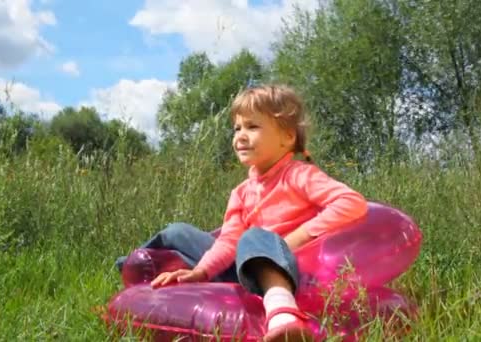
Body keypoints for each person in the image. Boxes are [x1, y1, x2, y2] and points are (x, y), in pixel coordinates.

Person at [115, 84, 368, 342]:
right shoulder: (241, 191)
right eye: (237, 128)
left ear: (287, 136)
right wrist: (201, 272)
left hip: (288, 267)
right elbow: (228, 241)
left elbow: (351, 202)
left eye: (253, 127)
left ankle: (283, 312)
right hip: (245, 266)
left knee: (254, 236)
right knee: (177, 231)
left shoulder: (299, 175)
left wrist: (295, 239)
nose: (241, 136)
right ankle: (132, 267)